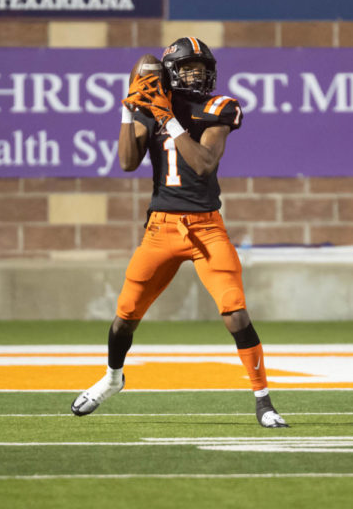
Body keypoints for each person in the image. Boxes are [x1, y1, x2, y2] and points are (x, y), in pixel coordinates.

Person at [70, 37, 288, 428]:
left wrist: (166, 117)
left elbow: (203, 164)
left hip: (206, 228)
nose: (197, 75)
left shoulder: (220, 107)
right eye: (188, 68)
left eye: (202, 69)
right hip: (160, 229)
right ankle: (113, 378)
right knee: (125, 316)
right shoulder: (153, 107)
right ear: (171, 72)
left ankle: (264, 402)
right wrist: (130, 109)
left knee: (235, 312)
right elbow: (126, 162)